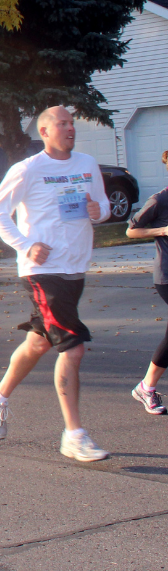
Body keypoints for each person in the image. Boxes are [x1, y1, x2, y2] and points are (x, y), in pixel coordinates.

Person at [0, 105, 110, 462]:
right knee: (73, 347)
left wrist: (101, 211)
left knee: (39, 342)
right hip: (42, 270)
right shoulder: (28, 169)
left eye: (72, 123)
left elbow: (102, 206)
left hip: (75, 266)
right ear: (45, 132)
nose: (70, 128)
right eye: (62, 124)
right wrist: (25, 245)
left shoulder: (86, 163)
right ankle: (74, 434)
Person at [125, 149, 168, 415]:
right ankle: (146, 387)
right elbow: (131, 229)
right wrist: (162, 230)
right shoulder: (160, 200)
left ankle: (147, 386)